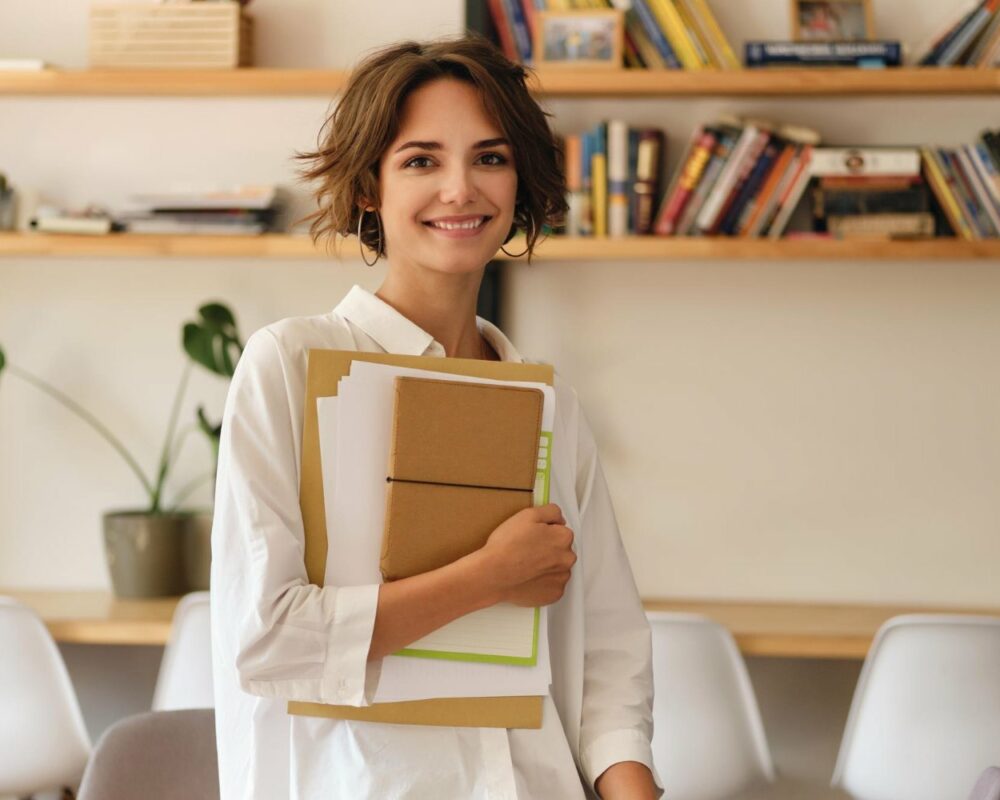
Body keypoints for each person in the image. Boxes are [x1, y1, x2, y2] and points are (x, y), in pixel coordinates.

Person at [211, 35, 660, 800]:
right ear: (367, 188)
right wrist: (489, 577)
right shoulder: (287, 366)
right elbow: (268, 639)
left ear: (520, 182)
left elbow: (609, 659)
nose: (461, 189)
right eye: (421, 160)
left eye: (490, 158)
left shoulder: (550, 407)